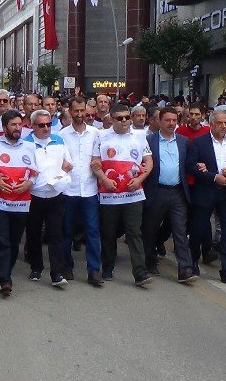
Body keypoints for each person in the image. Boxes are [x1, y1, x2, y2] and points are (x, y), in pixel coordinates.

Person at [92, 104, 153, 286]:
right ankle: (108, 267)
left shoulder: (139, 137)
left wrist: (141, 178)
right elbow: (95, 162)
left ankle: (140, 273)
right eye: (120, 118)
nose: (125, 121)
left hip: (133, 195)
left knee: (134, 232)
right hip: (109, 194)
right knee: (108, 233)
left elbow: (148, 161)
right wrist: (104, 179)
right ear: (111, 119)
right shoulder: (101, 136)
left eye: (127, 117)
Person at [141, 107, 198, 283]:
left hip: (177, 192)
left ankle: (185, 269)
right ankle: (150, 260)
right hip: (156, 191)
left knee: (180, 230)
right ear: (159, 121)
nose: (171, 123)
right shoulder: (148, 141)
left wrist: (200, 166)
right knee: (150, 228)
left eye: (174, 120)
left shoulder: (183, 141)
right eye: (167, 120)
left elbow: (189, 164)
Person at [187, 111, 226, 287]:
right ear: (211, 124)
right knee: (198, 230)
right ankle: (193, 261)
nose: (224, 126)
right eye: (220, 123)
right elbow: (190, 167)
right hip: (205, 191)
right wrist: (213, 177)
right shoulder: (199, 142)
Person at [0, 110, 38, 296]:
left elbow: (35, 173)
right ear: (4, 127)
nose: (17, 129)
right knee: (2, 240)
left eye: (19, 125)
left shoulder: (30, 147)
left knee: (14, 241)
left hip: (21, 203)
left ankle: (5, 269)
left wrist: (30, 183)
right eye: (13, 125)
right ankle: (5, 280)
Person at [24, 109, 72, 286]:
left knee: (55, 234)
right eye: (41, 125)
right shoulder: (26, 143)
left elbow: (68, 164)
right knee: (33, 234)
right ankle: (36, 267)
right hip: (34, 195)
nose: (46, 128)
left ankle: (57, 273)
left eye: (48, 124)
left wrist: (60, 175)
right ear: (32, 125)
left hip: (55, 194)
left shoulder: (59, 140)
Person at [59, 97, 104, 286]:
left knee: (93, 231)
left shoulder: (95, 133)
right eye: (75, 111)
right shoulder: (61, 135)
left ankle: (94, 270)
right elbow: (56, 159)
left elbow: (97, 158)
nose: (79, 115)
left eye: (82, 111)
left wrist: (98, 164)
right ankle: (66, 265)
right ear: (69, 111)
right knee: (66, 231)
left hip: (89, 189)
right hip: (68, 190)